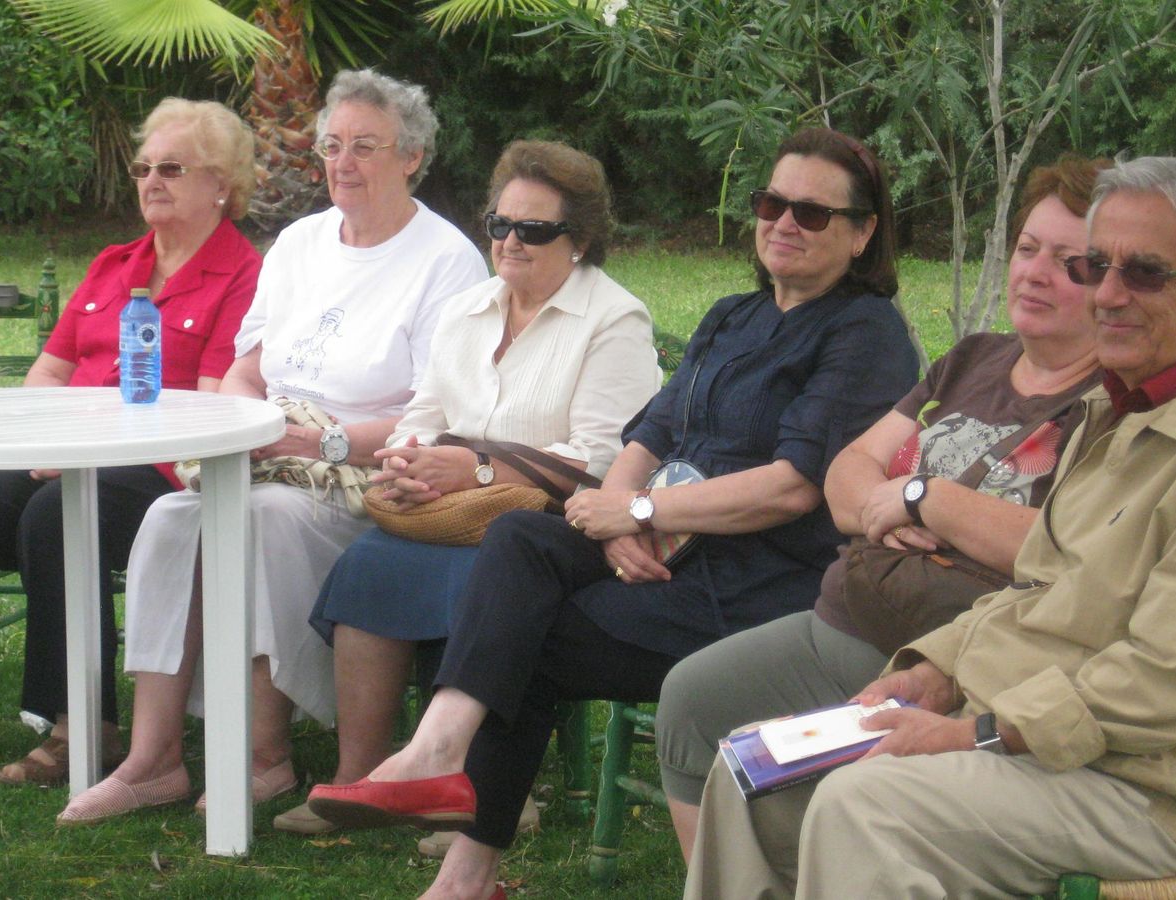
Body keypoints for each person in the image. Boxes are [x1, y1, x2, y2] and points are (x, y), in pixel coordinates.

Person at [683, 156, 1176, 899]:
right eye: (1097, 266)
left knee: (866, 804)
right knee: (753, 775)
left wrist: (973, 732)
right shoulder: (1123, 410)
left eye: (1145, 274)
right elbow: (1039, 586)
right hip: (1049, 746)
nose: (1106, 294)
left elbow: (1173, 688)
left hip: (1153, 792)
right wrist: (934, 674)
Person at [306, 126, 921, 900]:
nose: (784, 223)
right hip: (675, 550)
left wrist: (639, 507)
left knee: (517, 636)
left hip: (758, 588)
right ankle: (437, 757)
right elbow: (654, 430)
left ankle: (462, 874)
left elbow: (793, 485)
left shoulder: (864, 334)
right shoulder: (736, 315)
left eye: (813, 213)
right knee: (523, 538)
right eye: (772, 202)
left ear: (864, 233)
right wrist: (618, 509)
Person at [56, 69, 488, 823]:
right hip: (271, 450)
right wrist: (246, 428)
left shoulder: (445, 262)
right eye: (331, 146)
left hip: (365, 478)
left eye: (364, 147)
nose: (342, 164)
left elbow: (436, 414)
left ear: (413, 156)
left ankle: (265, 755)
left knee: (264, 518)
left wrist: (316, 440)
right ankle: (152, 759)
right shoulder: (299, 242)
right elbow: (244, 370)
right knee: (167, 520)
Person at [653, 154, 1111, 856]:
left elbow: (1063, 549)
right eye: (1027, 249)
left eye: (1071, 262)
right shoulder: (976, 358)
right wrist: (884, 504)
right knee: (692, 698)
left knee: (820, 798)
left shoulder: (1109, 404)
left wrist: (924, 499)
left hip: (956, 664)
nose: (1035, 272)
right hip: (843, 620)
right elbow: (846, 473)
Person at [0, 98, 262, 784]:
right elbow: (50, 371)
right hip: (69, 453)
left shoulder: (242, 277)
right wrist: (48, 436)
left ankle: (81, 727)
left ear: (221, 183)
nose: (151, 180)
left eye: (172, 168)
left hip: (164, 472)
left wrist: (87, 450)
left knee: (61, 513)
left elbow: (213, 410)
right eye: (143, 167)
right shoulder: (112, 265)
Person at [274, 140, 662, 845]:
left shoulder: (613, 321)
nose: (510, 242)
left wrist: (477, 469)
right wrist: (407, 461)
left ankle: (488, 788)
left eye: (533, 230)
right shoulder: (470, 308)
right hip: (451, 513)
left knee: (492, 575)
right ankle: (366, 775)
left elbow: (605, 460)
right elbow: (424, 419)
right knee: (369, 563)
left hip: (551, 525)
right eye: (499, 224)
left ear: (580, 240)